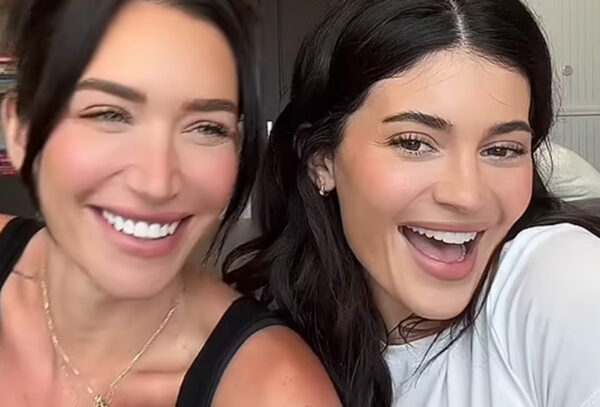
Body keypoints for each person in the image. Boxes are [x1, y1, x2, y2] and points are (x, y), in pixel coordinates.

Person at [225, 0, 600, 406]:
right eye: (414, 143)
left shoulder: (560, 278)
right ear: (323, 161)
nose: (467, 196)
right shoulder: (272, 341)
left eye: (502, 149)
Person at [0, 1, 340, 406]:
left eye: (207, 128)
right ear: (19, 131)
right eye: (109, 115)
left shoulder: (275, 392)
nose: (157, 183)